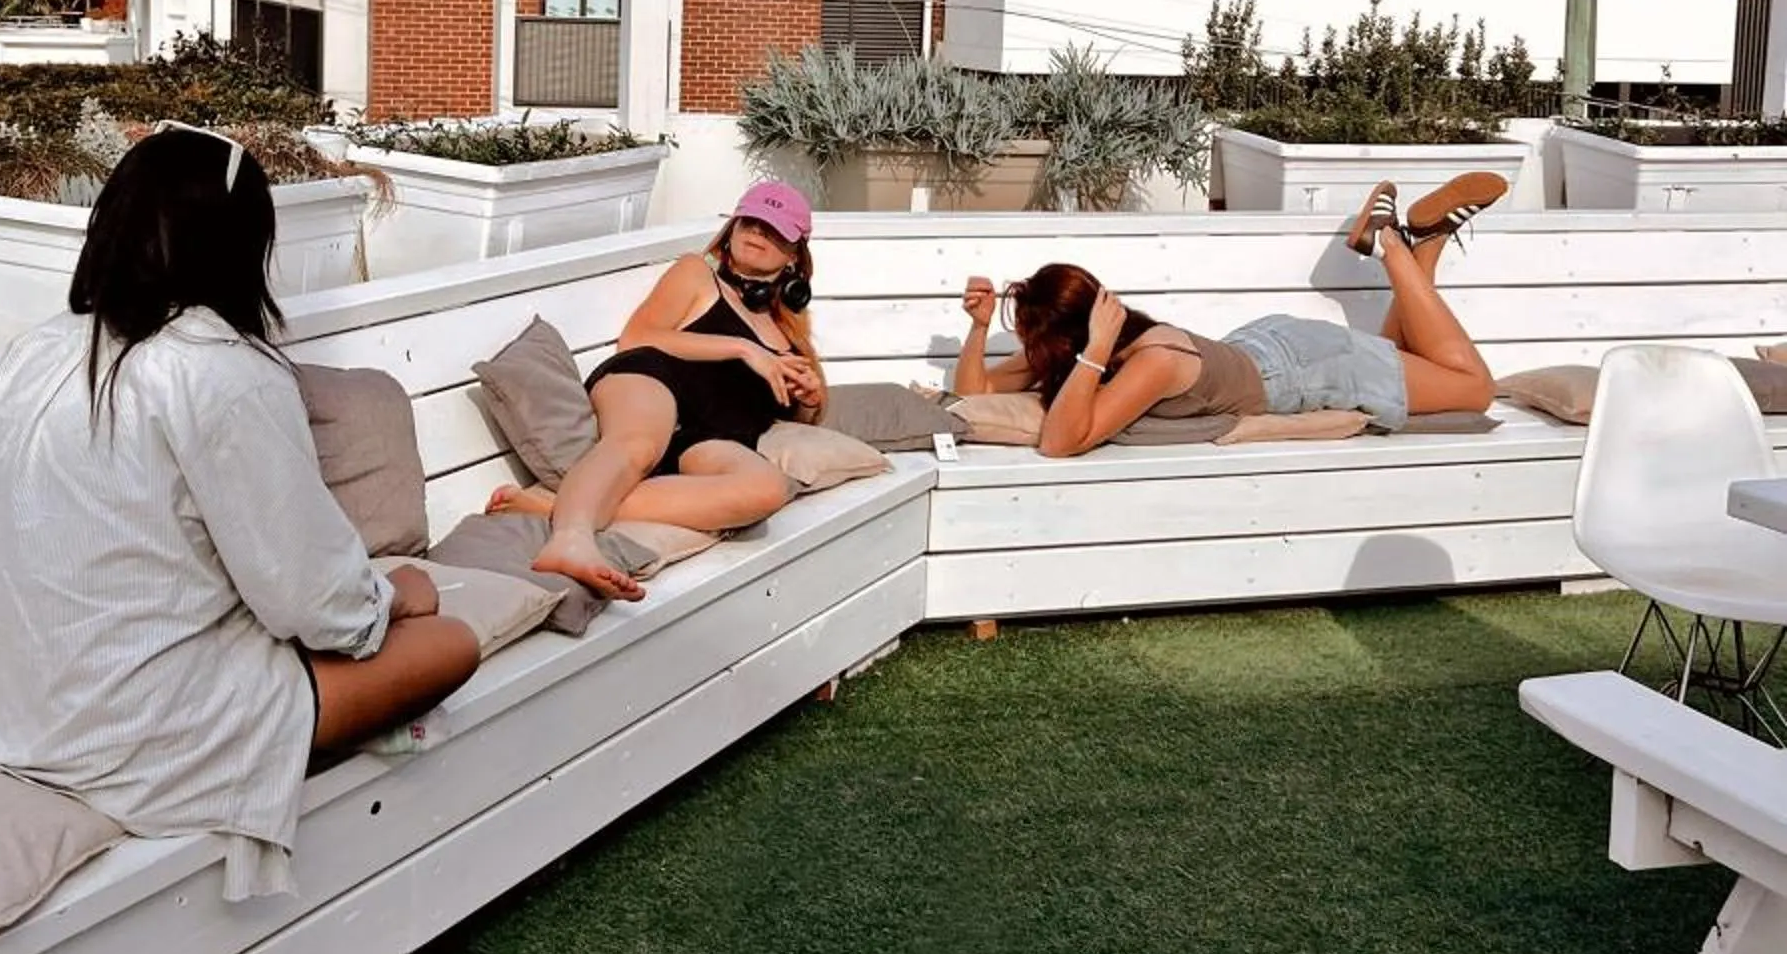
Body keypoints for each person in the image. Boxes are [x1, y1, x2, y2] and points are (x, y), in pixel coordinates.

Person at [0, 122, 480, 899]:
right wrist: (395, 599)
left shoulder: (36, 350)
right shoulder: (221, 372)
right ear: (242, 247)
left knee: (374, 615)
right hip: (127, 734)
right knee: (449, 639)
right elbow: (312, 602)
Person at [954, 173, 1507, 459]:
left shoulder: (1154, 360)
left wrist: (1097, 351)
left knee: (1473, 388)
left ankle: (1388, 240)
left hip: (1305, 367)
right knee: (1404, 362)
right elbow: (974, 393)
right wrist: (979, 331)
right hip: (1268, 350)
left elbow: (1061, 443)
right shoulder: (1080, 356)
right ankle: (1428, 240)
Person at [486, 181, 825, 601]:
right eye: (750, 222)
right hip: (656, 379)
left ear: (794, 254)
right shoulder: (696, 273)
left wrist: (809, 401)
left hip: (716, 435)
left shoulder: (788, 337)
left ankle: (560, 505)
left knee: (766, 489)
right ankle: (570, 540)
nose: (756, 233)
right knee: (639, 444)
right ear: (732, 228)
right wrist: (742, 348)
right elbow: (637, 336)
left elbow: (795, 417)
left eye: (773, 230)